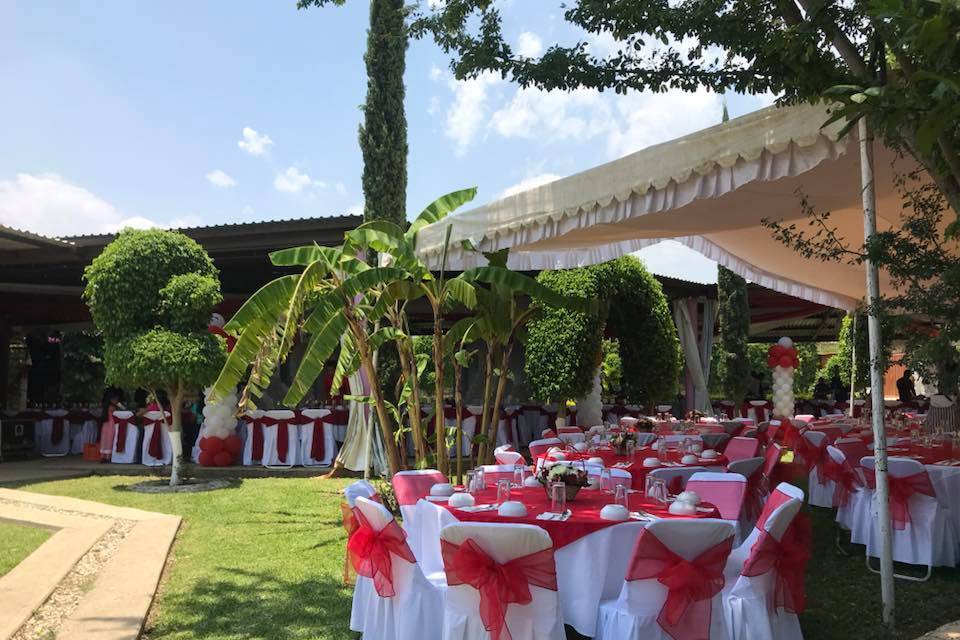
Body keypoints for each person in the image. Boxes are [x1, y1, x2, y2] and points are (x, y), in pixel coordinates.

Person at [99, 388, 125, 462]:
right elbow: (124, 408)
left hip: (106, 424)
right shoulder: (113, 407)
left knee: (105, 439)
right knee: (110, 439)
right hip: (111, 424)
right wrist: (119, 404)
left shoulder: (105, 407)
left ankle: (103, 456)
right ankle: (108, 457)